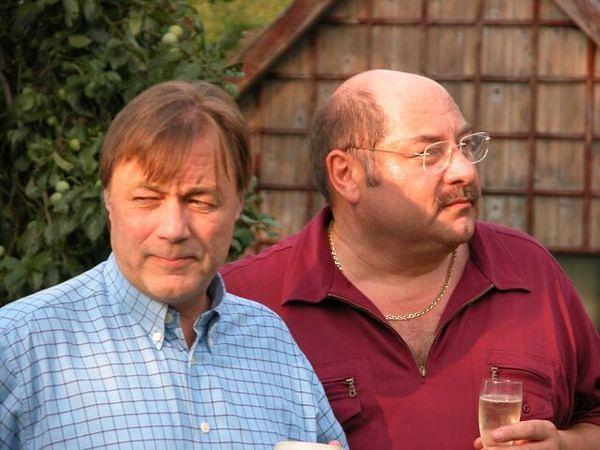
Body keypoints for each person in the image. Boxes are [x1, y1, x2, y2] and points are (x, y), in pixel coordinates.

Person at [221, 70, 600, 450]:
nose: (465, 170)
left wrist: (565, 445)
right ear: (346, 174)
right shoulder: (245, 299)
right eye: (429, 153)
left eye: (465, 145)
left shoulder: (528, 271)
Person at [0, 81, 347, 449]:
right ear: (107, 198)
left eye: (200, 201)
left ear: (238, 203)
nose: (173, 229)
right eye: (147, 199)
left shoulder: (272, 342)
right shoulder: (19, 345)